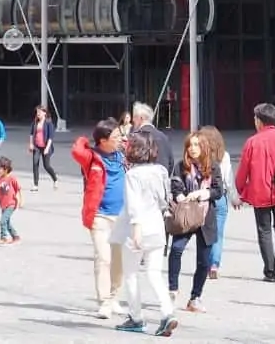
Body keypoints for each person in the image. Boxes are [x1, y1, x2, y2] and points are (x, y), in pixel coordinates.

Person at [112, 132, 178, 336]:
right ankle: (168, 312)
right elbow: (164, 199)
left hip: (136, 228)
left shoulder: (132, 175)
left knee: (131, 274)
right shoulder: (160, 171)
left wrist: (136, 229)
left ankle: (136, 317)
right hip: (157, 225)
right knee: (154, 273)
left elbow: (133, 205)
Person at [236, 102, 275, 283]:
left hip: (259, 192)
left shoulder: (252, 142)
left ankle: (270, 271)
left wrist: (239, 191)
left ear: (259, 121)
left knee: (264, 230)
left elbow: (243, 171)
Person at [72, 118, 126, 319]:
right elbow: (76, 150)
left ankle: (114, 297)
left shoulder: (122, 155)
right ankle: (104, 301)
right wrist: (85, 139)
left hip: (121, 215)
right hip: (99, 215)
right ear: (103, 140)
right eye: (116, 136)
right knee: (104, 258)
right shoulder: (92, 158)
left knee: (119, 260)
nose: (120, 139)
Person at [167, 132, 223, 314]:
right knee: (176, 249)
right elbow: (175, 187)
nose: (193, 148)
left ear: (204, 147)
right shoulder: (180, 166)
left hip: (206, 217)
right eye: (190, 145)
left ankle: (195, 297)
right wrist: (183, 197)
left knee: (204, 261)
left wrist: (202, 193)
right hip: (186, 215)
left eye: (197, 145)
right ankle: (172, 290)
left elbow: (218, 191)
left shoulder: (213, 166)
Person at [197, 126, 240, 280]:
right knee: (218, 234)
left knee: (204, 234)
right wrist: (235, 198)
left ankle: (205, 263)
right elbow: (228, 180)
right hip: (220, 197)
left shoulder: (199, 155)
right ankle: (214, 264)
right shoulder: (225, 156)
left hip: (203, 197)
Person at [130, 102, 174, 171]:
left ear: (141, 118)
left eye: (134, 117)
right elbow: (171, 162)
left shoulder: (137, 137)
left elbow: (130, 161)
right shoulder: (163, 137)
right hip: (162, 178)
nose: (132, 120)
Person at [28, 105, 59, 191]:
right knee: (35, 163)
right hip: (37, 146)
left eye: (40, 112)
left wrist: (47, 148)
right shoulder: (35, 122)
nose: (38, 114)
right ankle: (35, 185)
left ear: (44, 113)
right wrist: (31, 144)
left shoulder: (49, 123)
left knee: (47, 166)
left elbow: (50, 137)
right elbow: (31, 134)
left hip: (46, 147)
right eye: (37, 112)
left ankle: (55, 179)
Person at [0, 156, 23, 244]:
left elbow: (18, 190)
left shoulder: (11, 178)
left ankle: (4, 238)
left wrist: (20, 200)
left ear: (6, 169)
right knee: (7, 222)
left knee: (3, 221)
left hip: (11, 204)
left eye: (0, 169)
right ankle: (15, 237)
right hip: (3, 204)